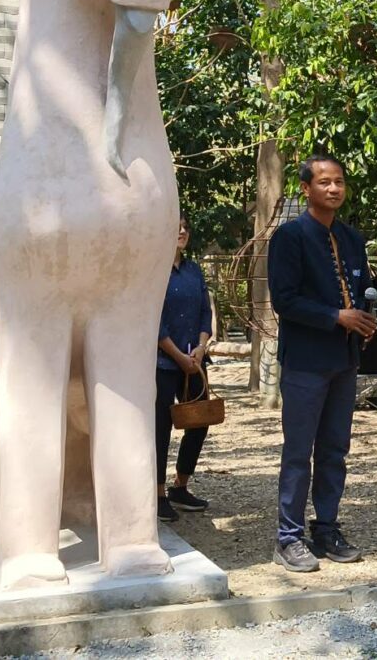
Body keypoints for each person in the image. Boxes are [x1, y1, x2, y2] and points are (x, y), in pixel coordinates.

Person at [268, 154, 377, 572]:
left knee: (335, 449)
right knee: (299, 451)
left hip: (343, 360)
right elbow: (284, 300)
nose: (333, 189)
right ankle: (288, 537)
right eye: (324, 182)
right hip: (305, 361)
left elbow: (361, 287)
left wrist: (366, 314)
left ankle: (327, 527)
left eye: (339, 182)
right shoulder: (290, 237)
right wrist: (336, 316)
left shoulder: (351, 238)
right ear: (306, 189)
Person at [155, 215, 214, 523]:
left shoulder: (194, 270)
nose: (181, 231)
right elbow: (153, 321)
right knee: (160, 428)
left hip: (195, 362)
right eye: (176, 226)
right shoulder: (153, 271)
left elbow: (205, 311)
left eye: (185, 227)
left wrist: (201, 347)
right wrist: (178, 356)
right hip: (163, 362)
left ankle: (181, 485)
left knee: (200, 421)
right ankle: (158, 494)